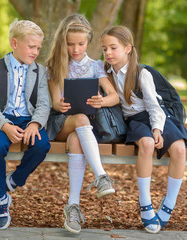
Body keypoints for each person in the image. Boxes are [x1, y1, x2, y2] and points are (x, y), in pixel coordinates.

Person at [101, 25, 187, 234]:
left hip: (157, 116)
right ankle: (145, 202)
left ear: (128, 48)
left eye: (113, 48)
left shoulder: (141, 73)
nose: (108, 53)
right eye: (104, 48)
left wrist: (157, 130)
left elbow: (154, 106)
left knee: (179, 149)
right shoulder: (103, 72)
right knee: (146, 144)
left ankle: (169, 203)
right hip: (134, 120)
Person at [0, 19, 51, 230]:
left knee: (42, 145)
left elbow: (44, 103)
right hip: (2, 119)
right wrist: (5, 125)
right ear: (15, 43)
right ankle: (0, 200)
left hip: (28, 120)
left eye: (38, 47)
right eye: (31, 46)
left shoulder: (40, 71)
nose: (35, 51)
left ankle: (11, 182)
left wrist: (35, 124)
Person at [45, 14, 118, 234]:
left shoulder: (96, 66)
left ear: (88, 42)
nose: (75, 49)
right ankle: (101, 177)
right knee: (80, 120)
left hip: (84, 130)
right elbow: (56, 102)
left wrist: (101, 100)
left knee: (78, 137)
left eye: (81, 43)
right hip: (61, 123)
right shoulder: (56, 65)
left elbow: (114, 96)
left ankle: (73, 207)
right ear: (62, 42)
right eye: (70, 44)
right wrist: (60, 104)